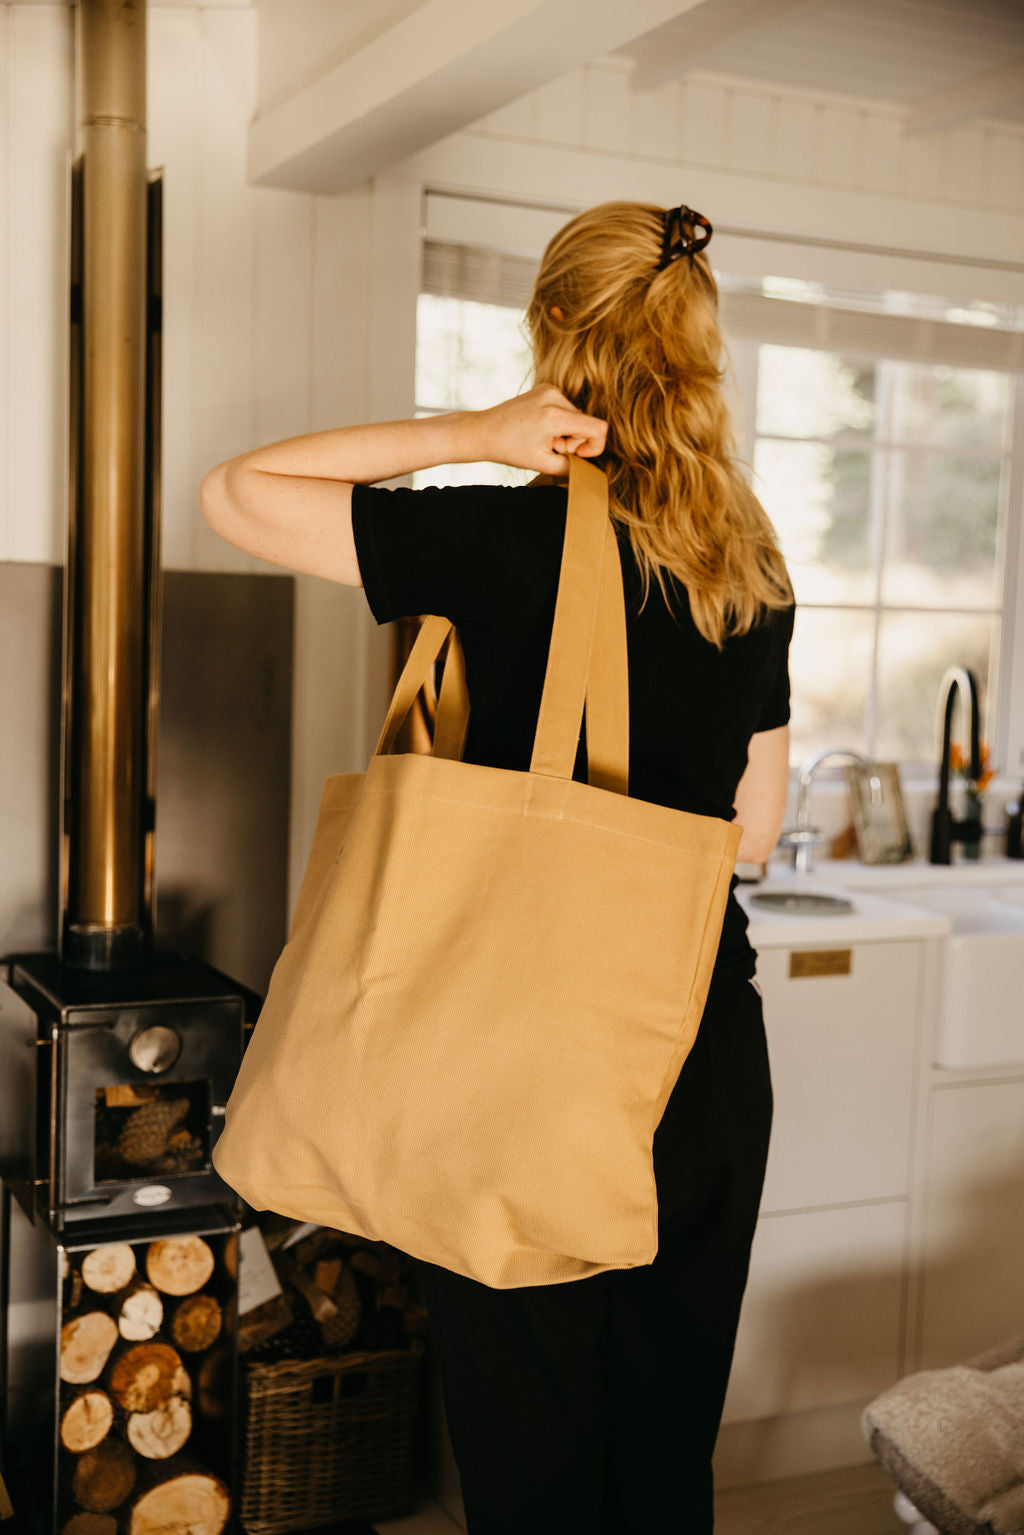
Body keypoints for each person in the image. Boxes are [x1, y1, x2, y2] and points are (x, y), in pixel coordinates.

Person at [200, 199, 796, 1534]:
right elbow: (754, 832)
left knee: (532, 1464)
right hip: (704, 1060)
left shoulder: (504, 541)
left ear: (554, 333)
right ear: (700, 350)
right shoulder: (750, 566)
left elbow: (237, 492)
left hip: (525, 1065)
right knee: (660, 1457)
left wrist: (473, 434)